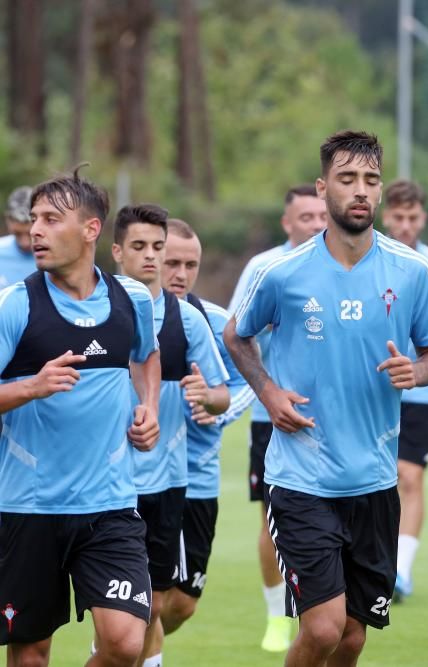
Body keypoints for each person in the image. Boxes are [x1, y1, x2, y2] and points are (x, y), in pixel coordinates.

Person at [224, 130, 428, 667]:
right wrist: (270, 392)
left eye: (371, 180)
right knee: (321, 630)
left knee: (352, 637)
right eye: (347, 180)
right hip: (302, 479)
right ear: (324, 189)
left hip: (374, 481)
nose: (361, 190)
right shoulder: (283, 273)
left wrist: (416, 372)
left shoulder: (412, 273)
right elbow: (236, 335)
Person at [0, 169, 161, 667]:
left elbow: (146, 355)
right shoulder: (15, 305)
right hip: (29, 507)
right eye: (33, 221)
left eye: (51, 219)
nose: (36, 231)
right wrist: (31, 386)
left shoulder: (131, 298)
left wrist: (149, 406)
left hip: (110, 504)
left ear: (91, 229)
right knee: (31, 654)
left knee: (124, 643)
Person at [111, 204, 230, 667]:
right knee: (122, 612)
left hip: (167, 482)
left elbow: (222, 392)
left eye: (158, 248)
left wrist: (207, 396)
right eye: (139, 247)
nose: (152, 258)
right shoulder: (98, 313)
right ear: (117, 251)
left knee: (157, 605)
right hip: (107, 485)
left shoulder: (187, 320)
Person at [225, 183, 327, 652]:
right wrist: (266, 393)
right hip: (274, 415)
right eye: (305, 217)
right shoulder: (266, 268)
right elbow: (237, 331)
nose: (314, 224)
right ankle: (275, 617)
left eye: (319, 216)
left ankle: (321, 611)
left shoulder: (344, 268)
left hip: (332, 419)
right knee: (272, 517)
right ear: (287, 223)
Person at [158, 218, 249, 638]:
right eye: (171, 262)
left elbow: (247, 379)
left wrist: (219, 409)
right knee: (146, 601)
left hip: (200, 479)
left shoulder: (215, 322)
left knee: (182, 605)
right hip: (143, 480)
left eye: (190, 264)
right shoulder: (121, 317)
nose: (180, 274)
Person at [380, 179, 428, 601]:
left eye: (412, 217)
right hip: (373, 390)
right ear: (386, 217)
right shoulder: (370, 259)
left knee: (410, 476)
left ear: (423, 218)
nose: (404, 225)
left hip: (420, 391)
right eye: (397, 217)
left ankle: (401, 569)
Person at [0, 186, 37, 288]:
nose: (25, 243)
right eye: (17, 233)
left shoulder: (58, 256)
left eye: (30, 234)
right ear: (7, 220)